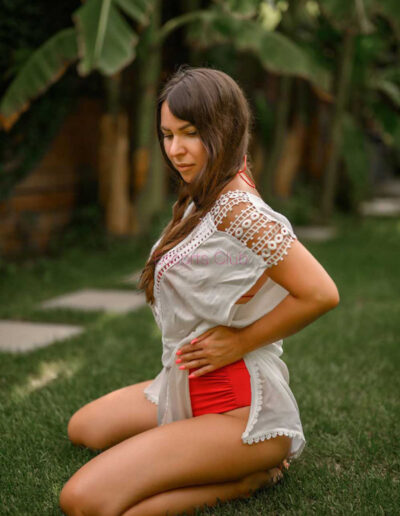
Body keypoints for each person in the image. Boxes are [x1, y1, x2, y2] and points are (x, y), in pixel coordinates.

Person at [59, 66, 340, 516]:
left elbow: (322, 293)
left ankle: (249, 477)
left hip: (240, 411)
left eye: (190, 133)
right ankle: (211, 450)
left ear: (224, 128)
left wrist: (240, 342)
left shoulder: (239, 210)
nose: (175, 150)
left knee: (83, 501)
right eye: (167, 135)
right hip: (186, 383)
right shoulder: (204, 191)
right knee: (84, 428)